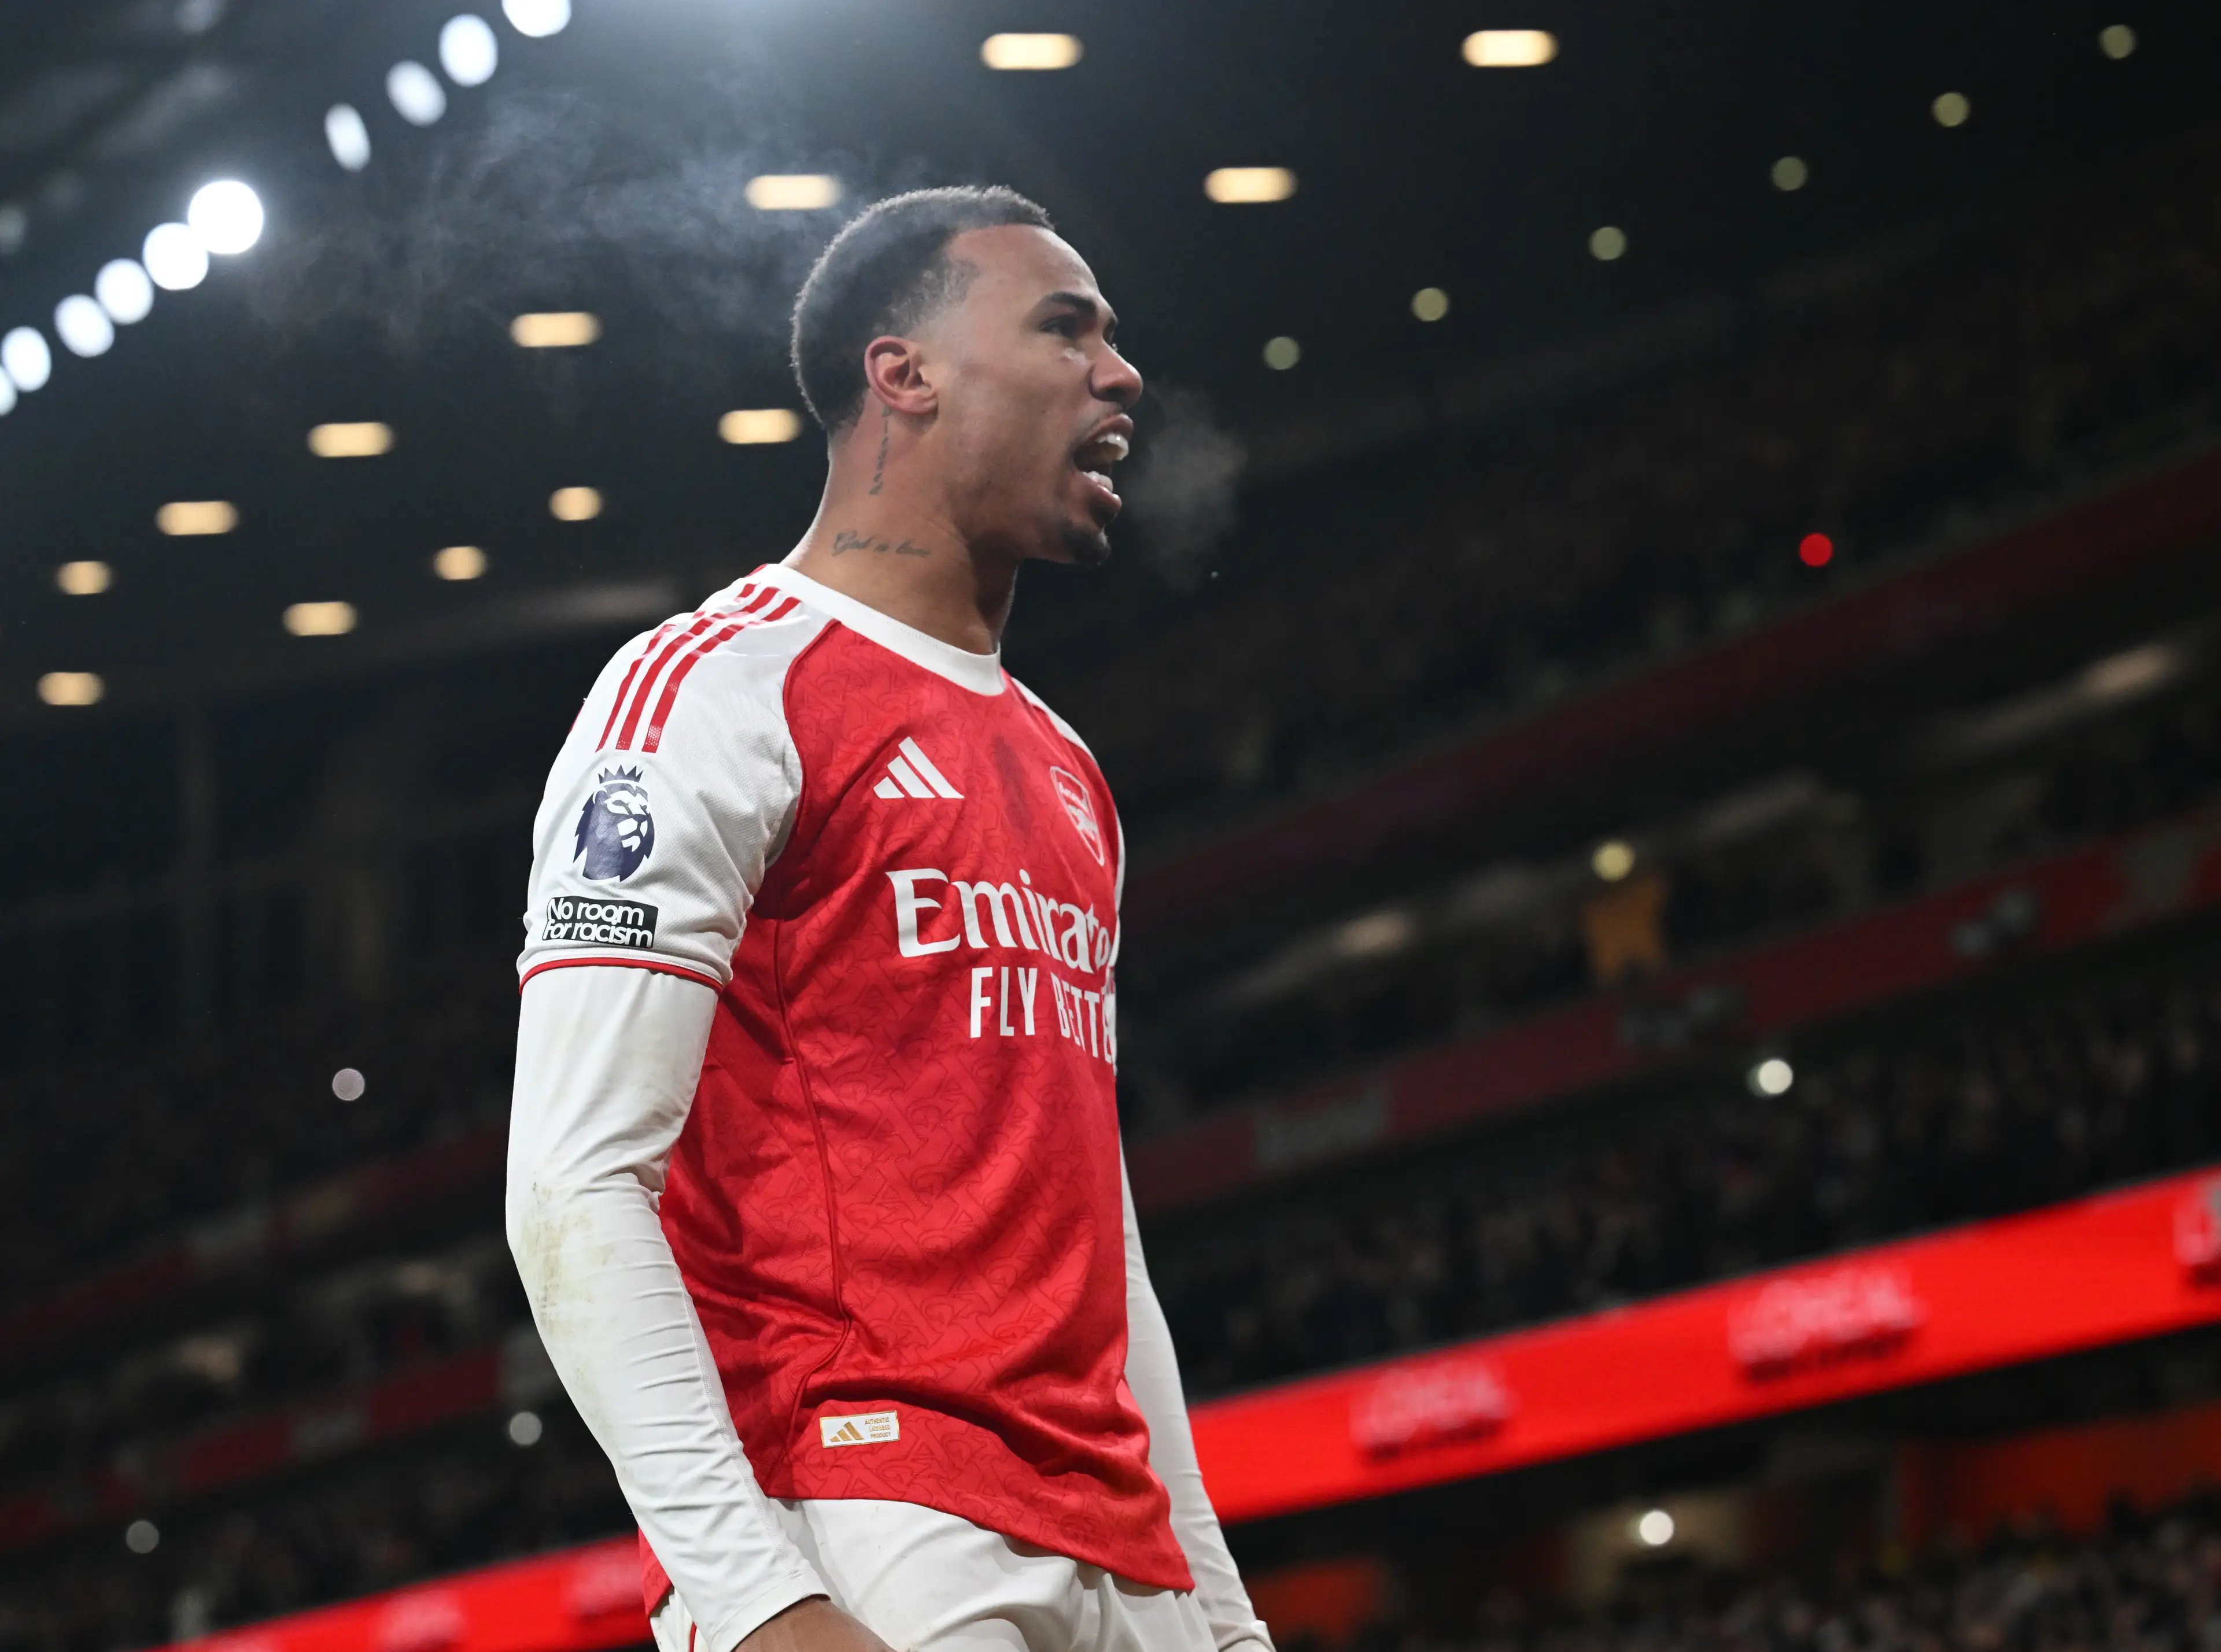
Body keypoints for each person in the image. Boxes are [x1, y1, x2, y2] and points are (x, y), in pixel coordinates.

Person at [506, 186, 1274, 1652]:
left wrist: (1223, 1615)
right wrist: (753, 1601)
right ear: (901, 374)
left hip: (1121, 1551)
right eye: (1066, 329)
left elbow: (1094, 1233)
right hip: (872, 1527)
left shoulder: (1068, 770)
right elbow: (573, 1182)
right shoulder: (709, 691)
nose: (1120, 376)